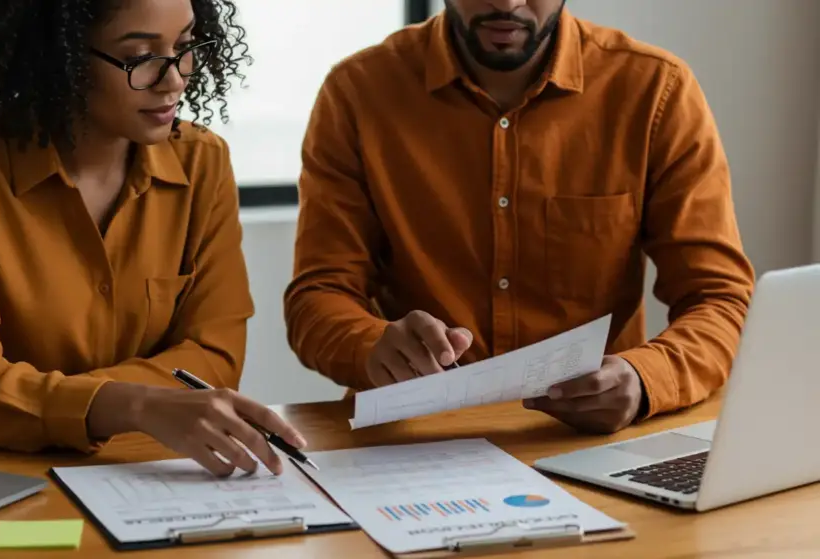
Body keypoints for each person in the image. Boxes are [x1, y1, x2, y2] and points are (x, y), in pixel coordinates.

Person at [284, 0, 755, 434]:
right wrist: (373, 346)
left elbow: (720, 299)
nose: (506, 4)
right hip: (412, 440)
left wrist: (646, 377)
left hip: (588, 440)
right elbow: (317, 297)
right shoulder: (358, 93)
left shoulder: (654, 90)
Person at [0, 0, 306, 477]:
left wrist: (47, 402)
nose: (174, 78)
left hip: (138, 463)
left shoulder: (202, 161)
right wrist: (136, 406)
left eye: (185, 47)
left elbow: (215, 358)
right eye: (140, 57)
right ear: (58, 55)